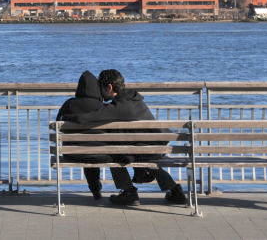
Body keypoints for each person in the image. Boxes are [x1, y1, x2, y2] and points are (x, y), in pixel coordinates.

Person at [64, 69, 187, 206]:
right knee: (135, 155)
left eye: (101, 88)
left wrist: (68, 118)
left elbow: (91, 117)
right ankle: (175, 191)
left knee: (112, 152)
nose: (100, 93)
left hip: (147, 150)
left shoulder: (119, 107)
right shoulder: (134, 99)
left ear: (109, 87)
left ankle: (129, 192)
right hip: (156, 147)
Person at [55, 71, 110, 200]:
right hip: (102, 154)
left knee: (86, 150)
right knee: (93, 150)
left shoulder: (69, 104)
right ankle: (99, 190)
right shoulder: (103, 106)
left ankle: (95, 190)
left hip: (72, 154)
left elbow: (58, 125)